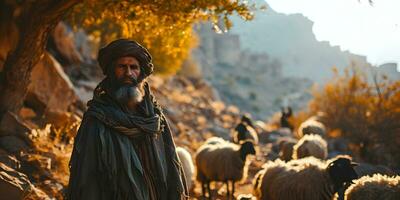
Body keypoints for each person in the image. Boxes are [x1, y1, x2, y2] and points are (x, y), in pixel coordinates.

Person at [67, 39, 188, 200]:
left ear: (141, 73)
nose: (128, 73)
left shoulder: (155, 118)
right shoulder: (97, 119)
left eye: (134, 67)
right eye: (122, 66)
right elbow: (87, 177)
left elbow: (171, 164)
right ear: (111, 70)